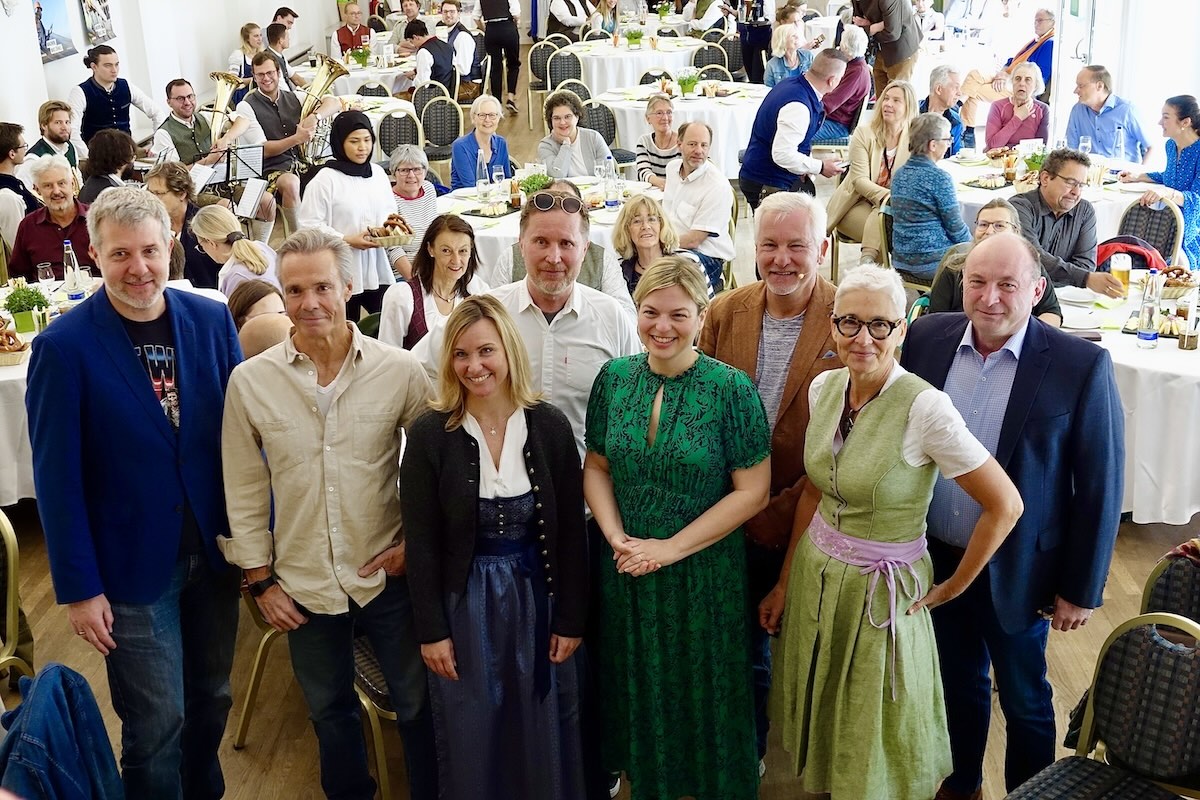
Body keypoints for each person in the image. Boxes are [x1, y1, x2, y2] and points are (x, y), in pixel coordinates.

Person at [765, 263, 1023, 800]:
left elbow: (1005, 504)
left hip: (881, 595)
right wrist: (786, 581)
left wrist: (952, 588)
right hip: (817, 578)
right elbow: (816, 490)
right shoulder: (825, 387)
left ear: (902, 328)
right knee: (826, 713)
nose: (862, 338)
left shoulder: (926, 408)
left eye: (879, 324)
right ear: (833, 326)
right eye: (849, 323)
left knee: (874, 729)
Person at [26, 186, 243, 800]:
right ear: (94, 254)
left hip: (214, 551)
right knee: (156, 722)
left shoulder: (209, 319)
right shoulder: (62, 349)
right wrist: (78, 588)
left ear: (170, 245)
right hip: (130, 570)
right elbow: (56, 479)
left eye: (149, 250)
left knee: (212, 699)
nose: (139, 268)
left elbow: (238, 441)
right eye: (120, 254)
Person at [902, 232, 1124, 800]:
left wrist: (1082, 586)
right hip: (937, 557)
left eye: (1008, 285)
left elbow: (1100, 481)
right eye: (977, 282)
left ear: (1038, 290)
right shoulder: (926, 339)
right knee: (957, 681)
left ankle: (1030, 793)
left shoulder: (1081, 364)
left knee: (1025, 696)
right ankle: (962, 784)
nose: (990, 298)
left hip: (1021, 565)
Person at [220, 229, 438, 800]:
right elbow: (242, 488)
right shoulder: (251, 382)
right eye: (295, 290)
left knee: (417, 704)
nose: (309, 301)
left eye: (322, 286)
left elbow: (438, 468)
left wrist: (418, 545)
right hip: (302, 583)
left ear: (347, 286)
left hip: (385, 577)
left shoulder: (400, 371)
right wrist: (260, 579)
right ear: (282, 295)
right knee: (328, 711)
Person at [583, 255, 771, 800]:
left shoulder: (730, 389)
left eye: (678, 315)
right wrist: (616, 536)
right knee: (637, 678)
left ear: (700, 314)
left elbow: (753, 492)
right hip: (627, 568)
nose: (661, 327)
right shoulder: (613, 379)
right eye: (650, 312)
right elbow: (595, 467)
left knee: (703, 686)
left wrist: (669, 549)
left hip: (703, 572)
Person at [402, 295, 588, 799]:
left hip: (538, 602)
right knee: (473, 723)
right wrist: (432, 631)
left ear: (508, 350)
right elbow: (420, 543)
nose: (474, 366)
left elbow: (571, 530)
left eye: (485, 351)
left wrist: (571, 618)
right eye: (460, 355)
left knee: (540, 717)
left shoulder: (548, 425)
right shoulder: (429, 435)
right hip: (466, 606)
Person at [698, 191, 842, 773]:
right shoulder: (724, 312)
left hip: (811, 511)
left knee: (808, 647)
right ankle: (749, 747)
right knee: (739, 641)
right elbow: (698, 408)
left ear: (824, 249)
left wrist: (774, 509)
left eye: (796, 246)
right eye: (769, 246)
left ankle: (820, 758)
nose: (781, 259)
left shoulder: (847, 319)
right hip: (725, 510)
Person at [478, 180, 636, 317]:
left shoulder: (612, 314)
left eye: (566, 243)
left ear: (584, 249)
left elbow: (627, 314)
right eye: (541, 242)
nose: (553, 258)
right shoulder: (495, 309)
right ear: (522, 244)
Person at [298, 111, 402, 318]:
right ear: (339, 143)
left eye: (367, 140)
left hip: (375, 264)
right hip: (340, 267)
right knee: (344, 325)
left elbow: (390, 211)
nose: (362, 147)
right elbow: (308, 226)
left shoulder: (378, 174)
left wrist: (390, 229)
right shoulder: (325, 180)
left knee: (388, 322)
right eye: (354, 141)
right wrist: (345, 240)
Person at [150, 78, 276, 244]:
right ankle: (236, 252)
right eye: (180, 99)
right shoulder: (164, 133)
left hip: (223, 184)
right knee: (226, 208)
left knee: (267, 201)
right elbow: (173, 174)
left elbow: (244, 121)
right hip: (193, 192)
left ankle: (260, 246)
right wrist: (208, 160)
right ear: (169, 102)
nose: (187, 102)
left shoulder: (206, 116)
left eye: (190, 96)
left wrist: (226, 139)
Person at [238, 52, 337, 238]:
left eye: (270, 73)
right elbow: (264, 149)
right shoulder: (246, 106)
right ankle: (298, 238)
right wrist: (297, 139)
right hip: (269, 169)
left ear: (279, 72)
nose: (266, 78)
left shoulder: (294, 97)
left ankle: (331, 233)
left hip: (303, 163)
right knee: (291, 182)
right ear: (254, 75)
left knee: (334, 172)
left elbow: (333, 101)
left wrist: (315, 117)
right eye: (260, 75)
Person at [739, 49, 848, 209]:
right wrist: (821, 166)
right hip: (768, 182)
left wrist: (806, 166)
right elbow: (782, 154)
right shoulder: (799, 107)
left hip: (764, 174)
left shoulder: (791, 83)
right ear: (832, 81)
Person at [928, 198, 1063, 326]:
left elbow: (1052, 312)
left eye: (999, 225)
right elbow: (936, 319)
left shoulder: (1030, 267)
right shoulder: (953, 269)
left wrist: (1027, 338)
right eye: (983, 225)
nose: (989, 231)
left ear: (1015, 231)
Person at [825, 79, 917, 264]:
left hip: (889, 209)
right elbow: (859, 181)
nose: (888, 104)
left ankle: (867, 267)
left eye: (896, 101)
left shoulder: (914, 138)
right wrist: (889, 198)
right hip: (853, 205)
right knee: (885, 229)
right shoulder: (864, 133)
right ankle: (883, 283)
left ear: (909, 107)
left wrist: (888, 202)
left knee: (882, 216)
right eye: (886, 99)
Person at [1009, 148, 1120, 293]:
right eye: (1070, 182)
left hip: (1068, 297)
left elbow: (1086, 264)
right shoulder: (1019, 208)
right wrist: (1085, 278)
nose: (1076, 192)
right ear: (1045, 179)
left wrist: (1077, 278)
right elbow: (1031, 259)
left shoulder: (1084, 211)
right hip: (1023, 296)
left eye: (1081, 185)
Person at [379, 213, 489, 348]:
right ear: (430, 249)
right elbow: (388, 358)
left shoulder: (477, 290)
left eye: (463, 251)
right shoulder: (402, 297)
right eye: (446, 251)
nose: (456, 260)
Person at [1118, 94, 1200, 268]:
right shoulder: (1170, 145)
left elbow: (1196, 198)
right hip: (1166, 220)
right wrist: (1138, 177)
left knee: (1176, 263)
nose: (1159, 122)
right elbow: (1172, 177)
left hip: (1191, 226)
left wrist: (1166, 192)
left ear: (1185, 122)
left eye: (1166, 117)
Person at [889, 112, 971, 278]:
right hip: (932, 263)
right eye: (947, 139)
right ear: (933, 145)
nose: (949, 144)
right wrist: (975, 244)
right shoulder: (939, 178)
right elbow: (955, 229)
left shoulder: (899, 174)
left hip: (901, 260)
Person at [957, 8, 1054, 136]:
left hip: (1017, 83)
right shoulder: (1035, 41)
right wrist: (1002, 74)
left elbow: (1040, 76)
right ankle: (958, 108)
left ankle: (965, 128)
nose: (1036, 24)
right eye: (1035, 21)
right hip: (1007, 75)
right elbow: (1011, 61)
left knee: (973, 91)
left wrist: (1010, 78)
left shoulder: (1049, 43)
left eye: (1040, 20)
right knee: (975, 75)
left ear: (1052, 22)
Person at [663, 121, 733, 291]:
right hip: (671, 247)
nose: (699, 151)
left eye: (704, 145)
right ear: (679, 144)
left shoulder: (717, 186)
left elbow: (694, 239)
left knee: (663, 276)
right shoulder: (672, 169)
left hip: (705, 256)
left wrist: (658, 246)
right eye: (692, 144)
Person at [8, 156, 94, 280]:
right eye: (48, 186)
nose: (56, 191)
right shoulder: (28, 226)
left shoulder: (97, 220)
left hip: (94, 295)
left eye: (61, 183)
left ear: (73, 184)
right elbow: (18, 275)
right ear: (37, 190)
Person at [68, 45, 164, 151]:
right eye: (108, 65)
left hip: (127, 152)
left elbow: (157, 112)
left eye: (116, 64)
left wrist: (157, 144)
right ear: (94, 66)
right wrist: (87, 156)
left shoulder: (126, 85)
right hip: (99, 155)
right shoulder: (80, 92)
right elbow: (72, 130)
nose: (114, 70)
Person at [145, 162, 223, 289]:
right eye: (151, 193)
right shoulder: (149, 224)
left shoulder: (207, 225)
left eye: (159, 194)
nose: (152, 199)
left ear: (182, 193)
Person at [611, 194, 707, 297]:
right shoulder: (618, 270)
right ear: (626, 230)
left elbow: (708, 309)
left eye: (652, 219)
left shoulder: (689, 262)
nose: (646, 226)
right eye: (637, 221)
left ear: (662, 225)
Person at [1066, 65, 1153, 163]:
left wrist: (1139, 175)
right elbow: (1071, 151)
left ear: (1099, 86)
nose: (1075, 91)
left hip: (1122, 174)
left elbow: (1151, 148)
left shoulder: (1127, 110)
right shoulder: (1077, 110)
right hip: (1089, 174)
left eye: (1081, 86)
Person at [190, 204, 280, 296]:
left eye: (201, 247)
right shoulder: (262, 247)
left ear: (211, 243)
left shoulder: (235, 278)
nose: (203, 250)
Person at [388, 145, 439, 281]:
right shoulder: (389, 199)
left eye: (417, 169)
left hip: (432, 265)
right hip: (404, 274)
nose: (411, 175)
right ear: (394, 173)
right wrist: (416, 281)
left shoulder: (428, 189)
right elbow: (393, 249)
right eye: (404, 170)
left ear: (425, 171)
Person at [812, 25, 870, 141]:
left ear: (846, 49)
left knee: (797, 133)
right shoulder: (854, 64)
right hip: (831, 117)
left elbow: (829, 103)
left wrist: (807, 104)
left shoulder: (856, 73)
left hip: (837, 124)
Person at [851, 0, 922, 96]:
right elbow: (857, 24)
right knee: (881, 98)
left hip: (901, 50)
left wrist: (869, 27)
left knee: (896, 95)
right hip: (880, 49)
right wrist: (875, 27)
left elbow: (892, 33)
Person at [539, 91, 613, 179]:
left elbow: (609, 173)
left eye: (567, 117)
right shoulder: (546, 145)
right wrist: (566, 144)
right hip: (564, 192)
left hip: (596, 191)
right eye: (557, 118)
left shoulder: (593, 138)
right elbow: (557, 175)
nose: (562, 122)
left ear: (577, 117)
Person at [451, 95, 512, 190]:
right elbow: (471, 186)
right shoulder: (460, 146)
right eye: (482, 115)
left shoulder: (501, 143)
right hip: (465, 202)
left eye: (492, 115)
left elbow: (507, 181)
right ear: (473, 118)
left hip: (495, 201)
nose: (487, 120)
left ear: (498, 118)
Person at [984, 62, 1049, 149]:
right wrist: (1018, 118)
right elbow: (992, 145)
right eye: (1017, 79)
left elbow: (1040, 148)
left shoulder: (1043, 109)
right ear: (1012, 82)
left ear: (1036, 85)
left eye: (1028, 80)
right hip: (1000, 160)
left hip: (1027, 161)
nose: (1021, 83)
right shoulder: (997, 106)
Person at [19, 101, 82, 190]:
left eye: (67, 122)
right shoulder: (33, 159)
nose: (64, 127)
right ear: (44, 125)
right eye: (58, 122)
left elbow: (78, 181)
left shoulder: (70, 147)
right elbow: (24, 192)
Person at [477, 0, 522, 114]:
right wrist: (515, 25)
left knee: (495, 68)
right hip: (508, 27)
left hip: (491, 30)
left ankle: (497, 105)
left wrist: (486, 30)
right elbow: (516, 13)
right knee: (513, 64)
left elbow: (475, 17)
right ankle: (510, 98)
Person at [0, 124, 39, 250]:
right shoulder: (7, 196)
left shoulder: (14, 183)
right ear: (12, 153)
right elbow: (17, 244)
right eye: (23, 146)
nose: (25, 150)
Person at [440, 0, 485, 101]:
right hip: (458, 82)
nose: (448, 15)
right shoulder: (450, 31)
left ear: (458, 13)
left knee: (428, 95)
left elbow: (464, 70)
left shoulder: (462, 36)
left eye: (452, 12)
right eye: (445, 12)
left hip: (469, 86)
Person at [77, 128, 135, 204]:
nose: (133, 159)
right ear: (121, 160)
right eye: (131, 156)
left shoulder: (89, 185)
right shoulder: (112, 194)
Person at [634, 95, 679, 190]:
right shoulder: (644, 142)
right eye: (659, 113)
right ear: (648, 118)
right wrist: (662, 184)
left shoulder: (682, 142)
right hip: (652, 194)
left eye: (669, 112)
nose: (665, 118)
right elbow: (643, 172)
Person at [919, 65, 964, 156]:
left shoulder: (956, 121)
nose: (959, 93)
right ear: (939, 89)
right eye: (955, 87)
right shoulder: (912, 113)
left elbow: (957, 157)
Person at [405, 20, 458, 96]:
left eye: (411, 41)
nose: (413, 45)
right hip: (448, 92)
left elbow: (422, 84)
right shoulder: (447, 46)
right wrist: (416, 71)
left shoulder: (423, 51)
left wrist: (414, 78)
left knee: (396, 97)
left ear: (415, 37)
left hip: (431, 96)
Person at [264, 23, 308, 92]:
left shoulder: (279, 55)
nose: (289, 39)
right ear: (281, 41)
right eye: (287, 37)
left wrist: (311, 89)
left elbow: (296, 78)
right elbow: (284, 90)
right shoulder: (270, 61)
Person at [227, 23, 264, 105]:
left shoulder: (262, 54)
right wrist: (251, 80)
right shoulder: (238, 55)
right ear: (247, 38)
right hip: (244, 95)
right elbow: (232, 80)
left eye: (260, 35)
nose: (259, 39)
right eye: (256, 36)